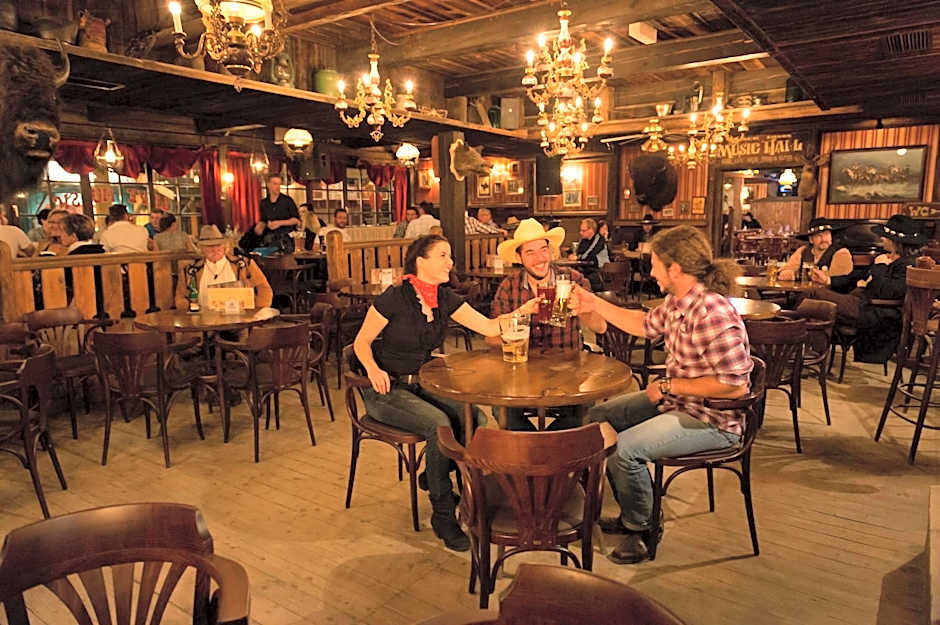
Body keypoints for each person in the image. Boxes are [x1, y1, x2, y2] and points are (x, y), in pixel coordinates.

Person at [573, 226, 752, 565]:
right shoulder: (678, 302)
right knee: (598, 418)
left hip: (714, 420)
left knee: (624, 450)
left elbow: (735, 386)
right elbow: (643, 325)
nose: (651, 271)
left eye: (655, 264)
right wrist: (594, 301)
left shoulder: (712, 311)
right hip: (681, 403)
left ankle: (643, 528)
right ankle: (632, 511)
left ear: (676, 268)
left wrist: (671, 386)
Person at [353, 234, 539, 552]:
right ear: (420, 262)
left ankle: (441, 475)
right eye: (443, 255)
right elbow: (361, 343)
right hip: (386, 388)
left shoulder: (445, 298)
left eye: (450, 255)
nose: (450, 262)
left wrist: (526, 309)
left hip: (422, 382)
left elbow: (491, 328)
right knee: (439, 424)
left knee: (474, 416)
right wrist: (372, 369)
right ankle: (442, 514)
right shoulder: (394, 297)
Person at [491, 219, 607, 431]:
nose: (540, 258)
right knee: (501, 410)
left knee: (586, 410)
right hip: (522, 374)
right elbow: (490, 338)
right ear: (519, 257)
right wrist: (519, 316)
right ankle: (535, 452)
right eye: (530, 252)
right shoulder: (509, 287)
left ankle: (548, 453)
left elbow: (600, 327)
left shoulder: (573, 279)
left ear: (551, 251)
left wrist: (583, 309)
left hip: (569, 370)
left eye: (544, 249)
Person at [805, 214, 925, 364]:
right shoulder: (886, 256)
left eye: (885, 237)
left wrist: (880, 267)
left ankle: (798, 349)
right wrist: (828, 280)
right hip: (861, 301)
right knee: (814, 303)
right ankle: (811, 353)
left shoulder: (908, 264)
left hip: (875, 312)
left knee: (812, 295)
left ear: (896, 242)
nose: (881, 239)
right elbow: (855, 277)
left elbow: (886, 292)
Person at [176, 225, 273, 311]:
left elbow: (264, 288)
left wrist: (257, 311)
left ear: (224, 246)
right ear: (202, 249)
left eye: (218, 245)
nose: (215, 250)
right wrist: (191, 311)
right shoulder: (190, 271)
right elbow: (180, 298)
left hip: (240, 322)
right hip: (203, 324)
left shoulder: (244, 264)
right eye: (209, 246)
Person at [778, 218, 853, 290]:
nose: (823, 239)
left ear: (831, 237)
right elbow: (788, 268)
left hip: (828, 298)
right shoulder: (803, 251)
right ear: (811, 239)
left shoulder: (841, 253)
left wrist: (825, 279)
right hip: (802, 294)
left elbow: (839, 283)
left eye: (826, 234)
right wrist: (787, 273)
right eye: (819, 236)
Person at [259, 174, 300, 247]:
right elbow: (263, 220)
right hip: (269, 239)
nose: (278, 187)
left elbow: (296, 220)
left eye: (279, 184)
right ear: (268, 185)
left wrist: (279, 223)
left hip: (286, 239)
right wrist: (266, 224)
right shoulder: (264, 203)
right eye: (275, 184)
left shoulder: (288, 201)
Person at [569, 218, 607, 290]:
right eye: (580, 230)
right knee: (571, 276)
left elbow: (590, 254)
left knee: (582, 280)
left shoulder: (599, 239)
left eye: (583, 231)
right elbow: (579, 253)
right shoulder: (584, 240)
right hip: (587, 269)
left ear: (591, 230)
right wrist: (574, 256)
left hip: (600, 272)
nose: (581, 232)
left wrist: (577, 258)